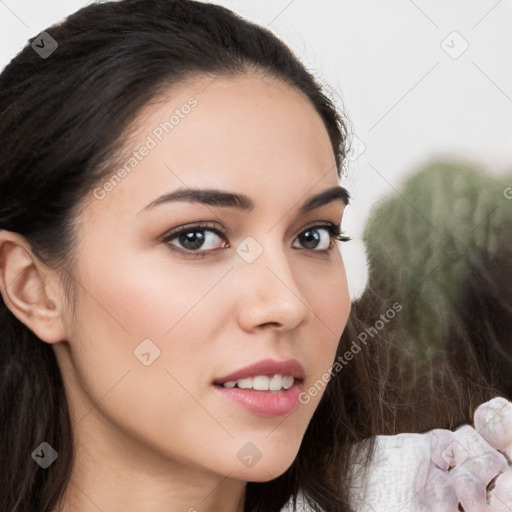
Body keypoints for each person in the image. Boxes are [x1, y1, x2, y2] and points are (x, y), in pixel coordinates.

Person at [0, 1, 509, 511]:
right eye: (196, 237)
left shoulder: (437, 491)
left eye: (313, 236)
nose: (287, 304)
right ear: (33, 287)